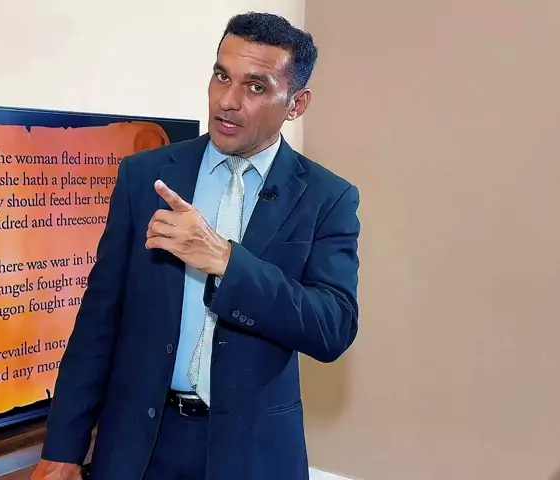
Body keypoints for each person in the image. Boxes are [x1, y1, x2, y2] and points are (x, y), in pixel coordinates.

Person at [31, 11, 361, 480]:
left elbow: (332, 327)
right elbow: (98, 321)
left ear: (296, 104)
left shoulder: (327, 197)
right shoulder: (145, 177)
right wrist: (64, 447)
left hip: (254, 454)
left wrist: (226, 261)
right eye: (222, 76)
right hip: (140, 447)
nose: (227, 101)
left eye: (256, 87)